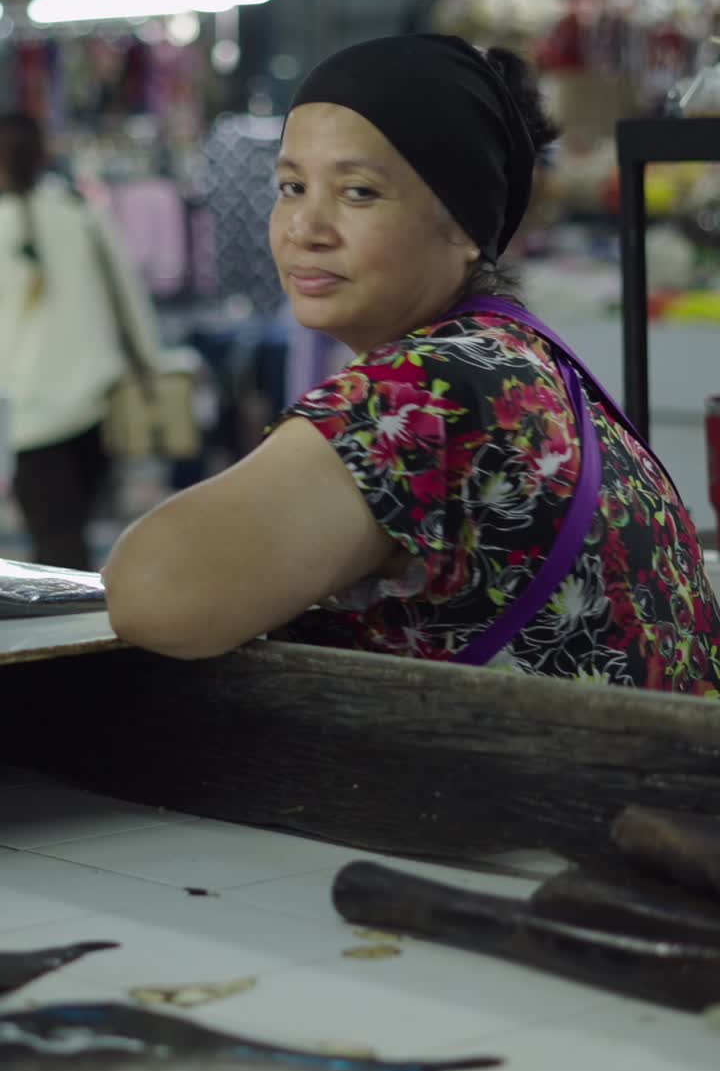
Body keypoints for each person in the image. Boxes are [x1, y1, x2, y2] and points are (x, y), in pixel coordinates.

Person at [103, 35, 720, 695]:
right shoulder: (519, 357)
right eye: (291, 186)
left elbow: (153, 593)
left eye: (359, 192)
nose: (305, 227)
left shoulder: (434, 389)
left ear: (462, 229)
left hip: (556, 793)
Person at [0, 112, 160, 570]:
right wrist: (149, 363)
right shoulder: (82, 216)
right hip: (95, 405)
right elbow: (130, 302)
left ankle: (72, 635)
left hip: (28, 417)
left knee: (54, 542)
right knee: (71, 537)